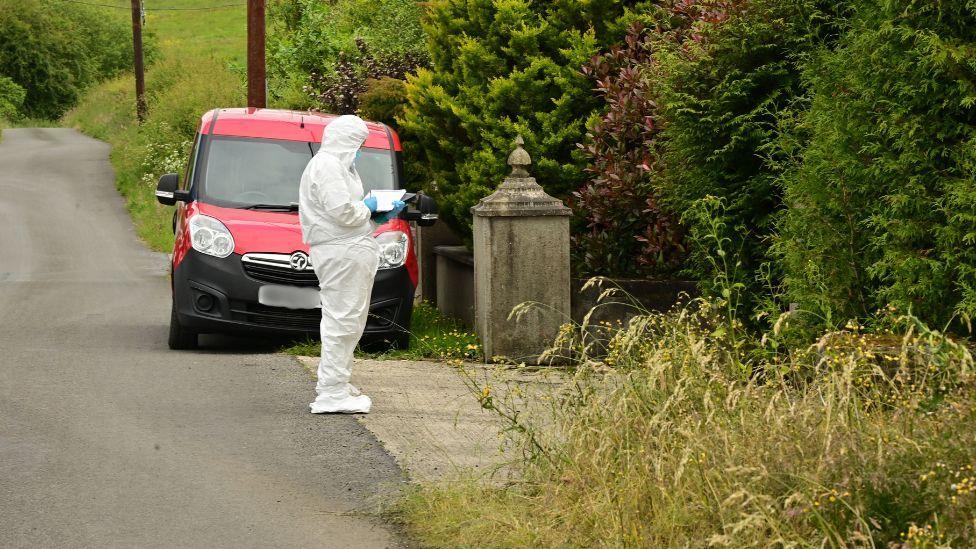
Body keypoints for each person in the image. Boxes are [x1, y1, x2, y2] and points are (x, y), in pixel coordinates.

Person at [298, 115, 405, 413]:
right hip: (341, 254)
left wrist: (374, 219)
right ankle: (331, 393)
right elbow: (342, 213)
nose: (361, 149)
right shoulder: (328, 166)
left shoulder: (336, 165)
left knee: (348, 320)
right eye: (359, 143)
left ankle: (336, 383)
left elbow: (343, 220)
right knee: (343, 321)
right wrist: (369, 209)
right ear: (347, 140)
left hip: (345, 248)